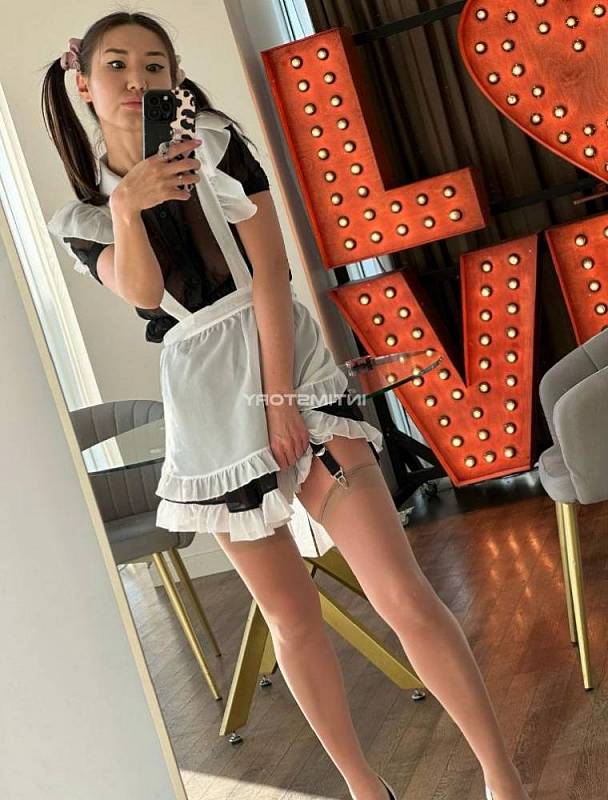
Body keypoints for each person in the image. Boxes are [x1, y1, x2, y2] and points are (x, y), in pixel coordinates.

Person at [42, 11, 530, 800]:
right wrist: (128, 205)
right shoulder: (85, 217)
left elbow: (271, 274)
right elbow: (144, 293)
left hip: (289, 367)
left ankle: (503, 781)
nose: (137, 81)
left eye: (155, 66)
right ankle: (365, 789)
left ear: (175, 78)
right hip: (205, 406)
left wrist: (279, 401)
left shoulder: (218, 146)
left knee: (400, 591)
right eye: (118, 66)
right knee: (290, 620)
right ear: (85, 85)